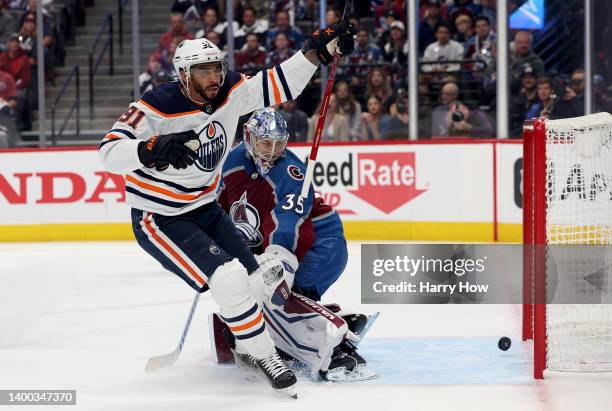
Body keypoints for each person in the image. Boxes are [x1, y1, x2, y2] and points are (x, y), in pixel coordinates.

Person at [98, 22, 356, 397]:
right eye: (204, 70)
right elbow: (109, 150)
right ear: (184, 74)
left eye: (216, 67)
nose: (214, 76)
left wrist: (315, 53)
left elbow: (278, 83)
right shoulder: (156, 105)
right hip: (161, 217)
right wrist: (148, 149)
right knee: (228, 280)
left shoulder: (231, 91)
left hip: (204, 208)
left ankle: (252, 341)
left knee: (261, 280)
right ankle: (267, 356)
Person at [217, 108, 371, 381]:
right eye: (266, 142)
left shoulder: (292, 173)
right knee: (269, 297)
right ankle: (338, 320)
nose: (273, 150)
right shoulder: (231, 162)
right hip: (286, 246)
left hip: (320, 246)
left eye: (279, 143)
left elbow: (288, 223)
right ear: (249, 138)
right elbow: (217, 204)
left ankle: (332, 349)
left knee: (278, 298)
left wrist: (279, 263)